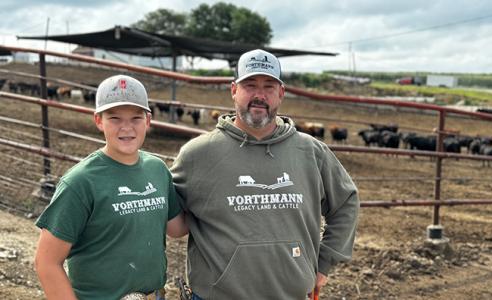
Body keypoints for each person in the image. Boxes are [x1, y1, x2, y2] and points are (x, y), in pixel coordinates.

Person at [171, 49, 360, 299]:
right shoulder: (198, 154)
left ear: (281, 93)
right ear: (234, 90)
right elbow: (167, 218)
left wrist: (325, 262)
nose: (259, 95)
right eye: (250, 85)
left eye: (269, 87)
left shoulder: (311, 151)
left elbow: (346, 202)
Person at [34, 74, 187, 300]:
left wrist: (219, 197)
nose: (126, 128)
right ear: (98, 120)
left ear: (148, 120)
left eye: (136, 118)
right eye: (114, 118)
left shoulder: (157, 169)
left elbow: (177, 228)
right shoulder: (81, 181)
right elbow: (46, 262)